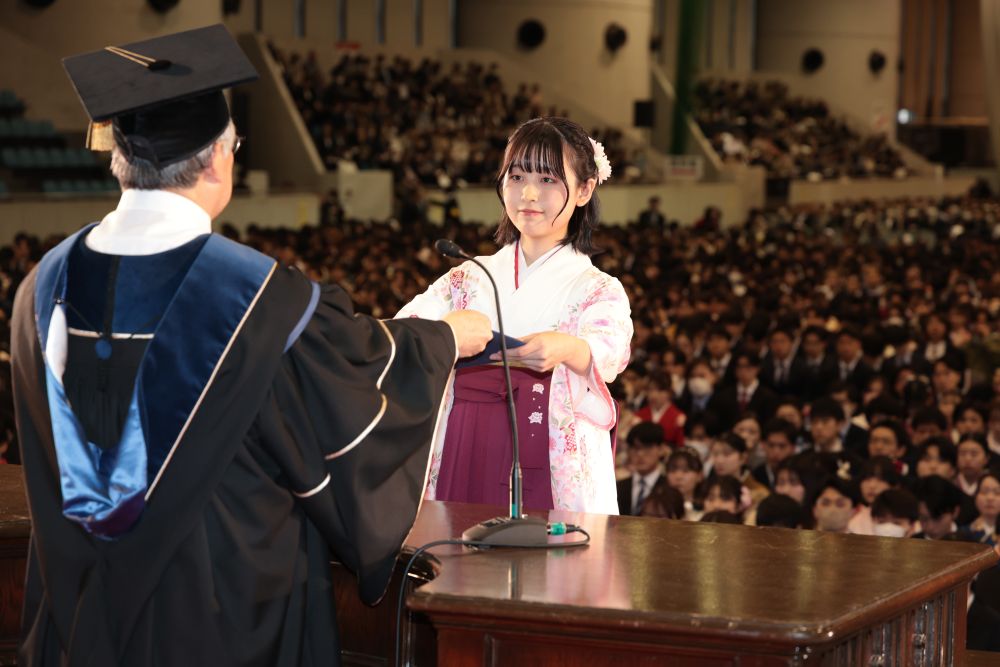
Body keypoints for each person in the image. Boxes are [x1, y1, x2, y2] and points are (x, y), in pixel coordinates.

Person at [10, 27, 492, 667]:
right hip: (222, 621)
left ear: (119, 158)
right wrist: (443, 337)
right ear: (218, 157)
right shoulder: (256, 297)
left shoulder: (42, 286)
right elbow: (354, 379)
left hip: (78, 623)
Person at [397, 116, 633, 513]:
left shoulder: (597, 287)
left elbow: (609, 350)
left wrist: (568, 348)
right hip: (465, 436)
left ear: (584, 189)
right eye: (517, 176)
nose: (528, 193)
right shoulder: (468, 276)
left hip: (545, 440)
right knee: (456, 540)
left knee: (551, 549)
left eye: (547, 179)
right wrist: (446, 333)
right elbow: (404, 331)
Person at [617, 422, 668, 515]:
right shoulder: (617, 488)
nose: (640, 454)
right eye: (635, 448)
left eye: (647, 447)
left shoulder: (669, 487)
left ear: (661, 449)